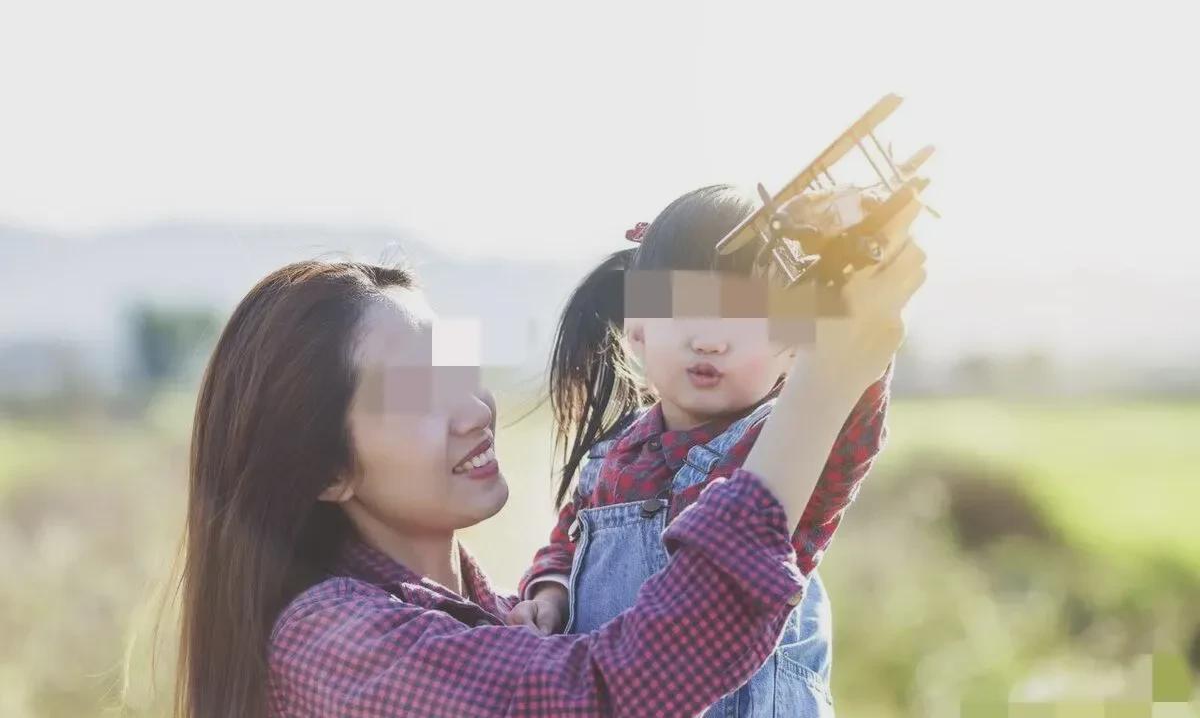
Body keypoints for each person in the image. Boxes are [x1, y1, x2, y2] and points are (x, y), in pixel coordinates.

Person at [171, 197, 925, 716]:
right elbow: (599, 701)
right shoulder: (331, 647)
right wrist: (825, 383)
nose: (473, 412)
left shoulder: (510, 622)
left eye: (460, 374)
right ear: (325, 469)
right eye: (417, 393)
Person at [508, 184, 894, 715]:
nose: (709, 340)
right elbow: (567, 545)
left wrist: (857, 290)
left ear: (800, 345)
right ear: (637, 328)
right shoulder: (611, 459)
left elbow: (849, 400)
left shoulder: (785, 446)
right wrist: (550, 594)